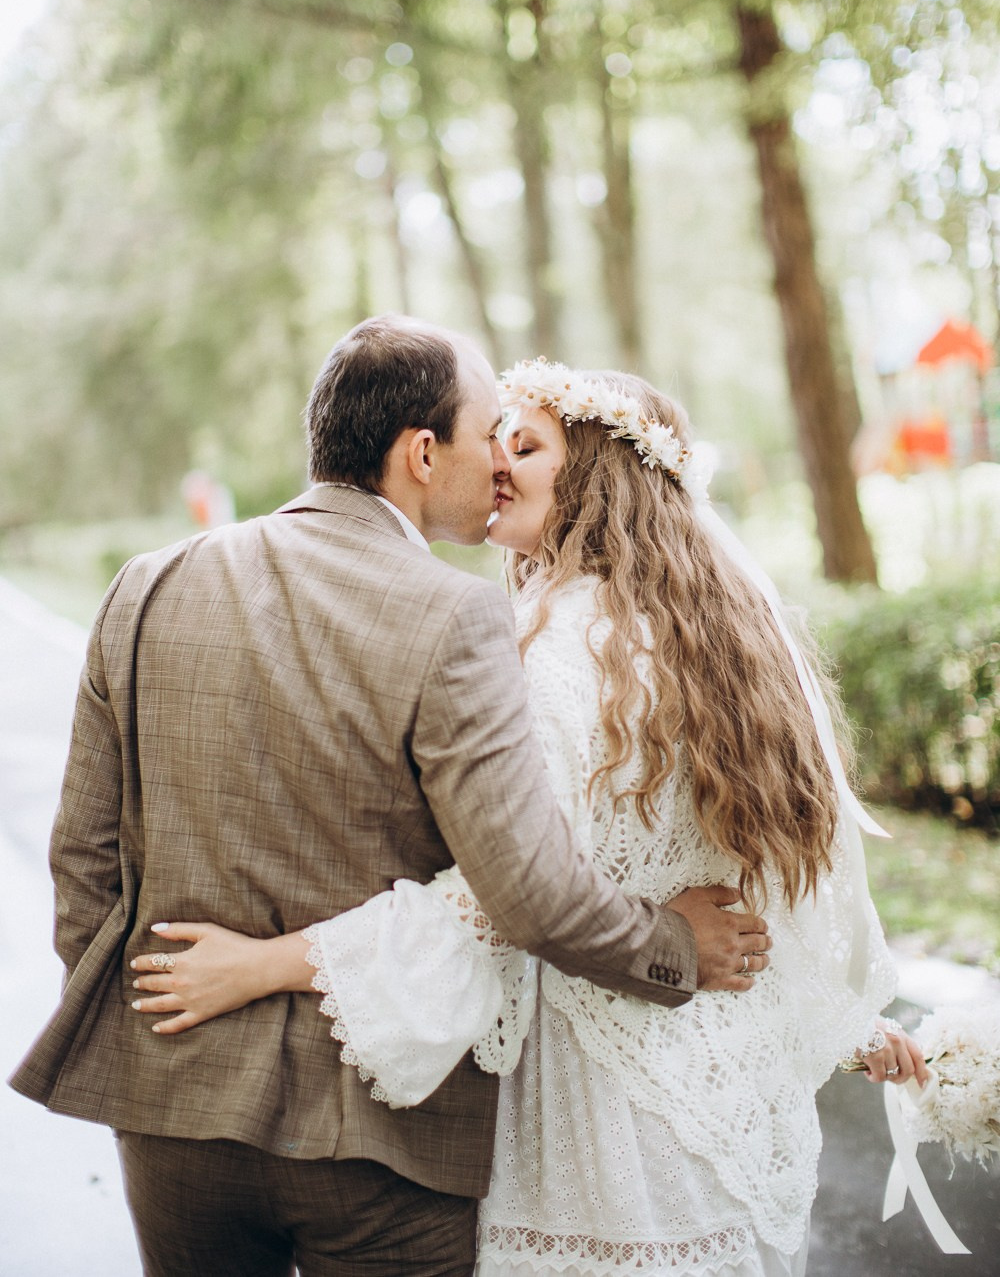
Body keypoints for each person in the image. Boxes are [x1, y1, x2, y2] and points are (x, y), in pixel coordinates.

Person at [127, 358, 928, 1277]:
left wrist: (260, 966)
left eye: (528, 445)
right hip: (702, 1081)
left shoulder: (562, 652)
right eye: (497, 440)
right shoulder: (703, 636)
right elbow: (742, 883)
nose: (499, 464)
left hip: (595, 1105)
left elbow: (500, 899)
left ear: (597, 475)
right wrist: (840, 1020)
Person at [10, 322, 767, 1277]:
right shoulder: (455, 615)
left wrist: (142, 1040)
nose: (499, 461)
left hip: (171, 1112)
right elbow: (527, 892)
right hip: (377, 1136)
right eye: (487, 434)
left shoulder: (146, 585)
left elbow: (82, 860)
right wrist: (673, 949)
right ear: (421, 453)